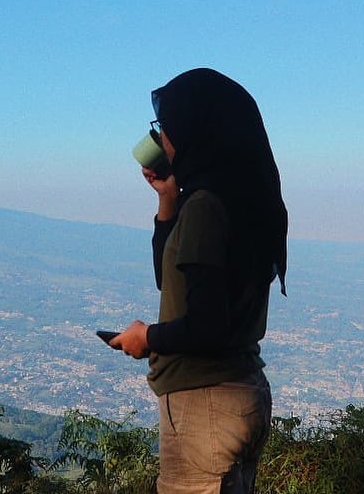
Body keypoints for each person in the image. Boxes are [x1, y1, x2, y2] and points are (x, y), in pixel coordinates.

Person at [111, 68, 288, 494]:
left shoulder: (207, 207)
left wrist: (146, 337)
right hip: (242, 394)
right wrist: (168, 200)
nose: (160, 139)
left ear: (195, 130)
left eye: (163, 127)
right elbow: (169, 281)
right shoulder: (239, 199)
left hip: (206, 405)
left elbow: (206, 326)